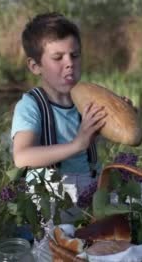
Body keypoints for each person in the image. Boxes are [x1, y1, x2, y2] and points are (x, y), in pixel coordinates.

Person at [11, 12, 108, 201]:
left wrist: (118, 116)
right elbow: (22, 156)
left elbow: (107, 138)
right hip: (50, 200)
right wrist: (77, 145)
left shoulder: (86, 101)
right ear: (35, 66)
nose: (70, 63)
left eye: (75, 55)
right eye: (58, 57)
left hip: (90, 192)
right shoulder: (31, 105)